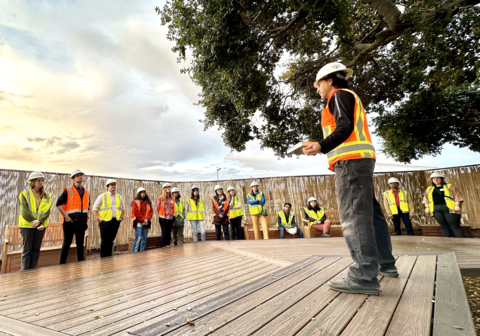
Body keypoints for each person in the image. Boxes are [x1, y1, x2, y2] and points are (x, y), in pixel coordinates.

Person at [303, 62, 397, 295]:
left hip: (350, 164)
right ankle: (386, 265)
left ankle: (364, 277)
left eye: (318, 84)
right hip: (361, 161)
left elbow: (343, 128)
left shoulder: (338, 96)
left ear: (330, 80)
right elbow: (346, 128)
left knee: (354, 217)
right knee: (371, 216)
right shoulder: (349, 96)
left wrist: (321, 146)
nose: (317, 89)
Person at [18, 171, 52, 271]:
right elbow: (25, 212)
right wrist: (37, 223)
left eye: (42, 180)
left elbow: (47, 211)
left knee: (36, 250)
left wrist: (40, 221)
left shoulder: (47, 195)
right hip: (27, 226)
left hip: (41, 225)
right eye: (38, 180)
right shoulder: (24, 194)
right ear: (32, 181)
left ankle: (32, 272)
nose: (40, 182)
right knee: (27, 250)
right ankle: (24, 273)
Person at [57, 169, 90, 264]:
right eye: (77, 175)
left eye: (81, 175)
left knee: (80, 244)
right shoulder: (68, 190)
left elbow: (87, 207)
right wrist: (66, 217)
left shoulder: (87, 192)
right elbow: (58, 204)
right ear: (73, 179)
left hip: (81, 223)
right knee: (67, 243)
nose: (80, 176)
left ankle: (80, 265)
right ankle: (61, 264)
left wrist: (86, 218)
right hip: (69, 223)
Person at [423, 171, 464, 237]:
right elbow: (426, 198)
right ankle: (448, 242)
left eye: (438, 178)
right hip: (436, 209)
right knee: (444, 226)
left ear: (442, 179)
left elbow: (457, 195)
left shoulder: (449, 186)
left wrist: (456, 205)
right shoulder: (429, 189)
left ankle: (462, 241)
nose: (435, 180)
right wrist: (427, 207)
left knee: (454, 226)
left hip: (449, 208)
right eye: (433, 179)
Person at [93, 179, 124, 258]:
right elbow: (95, 208)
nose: (113, 186)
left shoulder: (119, 197)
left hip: (115, 221)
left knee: (111, 240)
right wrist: (98, 219)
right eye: (111, 185)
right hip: (105, 222)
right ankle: (103, 258)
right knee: (105, 241)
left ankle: (109, 257)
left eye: (114, 184)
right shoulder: (102, 196)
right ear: (107, 187)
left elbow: (122, 208)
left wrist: (121, 217)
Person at [130, 187, 153, 253]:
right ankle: (134, 253)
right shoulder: (135, 202)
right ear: (138, 194)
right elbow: (136, 212)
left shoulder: (148, 202)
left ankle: (142, 254)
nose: (143, 194)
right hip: (138, 222)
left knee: (144, 239)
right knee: (138, 238)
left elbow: (151, 212)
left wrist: (147, 219)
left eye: (144, 192)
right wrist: (143, 220)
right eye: (141, 193)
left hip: (145, 222)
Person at [157, 183, 176, 247]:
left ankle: (168, 245)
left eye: (169, 187)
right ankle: (163, 245)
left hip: (170, 218)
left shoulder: (172, 198)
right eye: (167, 187)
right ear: (164, 189)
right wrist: (161, 216)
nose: (168, 188)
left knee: (169, 232)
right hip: (163, 218)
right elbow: (158, 208)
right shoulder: (161, 198)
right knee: (164, 232)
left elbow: (173, 207)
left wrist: (174, 216)